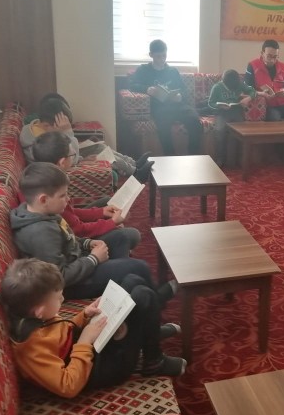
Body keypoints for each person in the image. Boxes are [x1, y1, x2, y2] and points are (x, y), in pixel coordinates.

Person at [1, 258, 185, 398]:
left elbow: (61, 331)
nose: (62, 300)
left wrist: (84, 315)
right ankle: (154, 362)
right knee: (142, 295)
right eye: (58, 298)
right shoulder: (31, 347)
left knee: (132, 280)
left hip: (88, 351)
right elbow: (68, 386)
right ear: (40, 312)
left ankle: (149, 332)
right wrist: (85, 341)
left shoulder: (35, 316)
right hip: (101, 370)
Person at [11, 162, 175, 301]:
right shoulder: (40, 233)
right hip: (72, 285)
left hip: (79, 261)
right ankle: (155, 299)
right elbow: (59, 277)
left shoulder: (42, 211)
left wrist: (87, 243)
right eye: (63, 196)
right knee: (139, 267)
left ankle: (125, 285)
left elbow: (68, 237)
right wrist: (94, 259)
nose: (68, 199)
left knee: (121, 237)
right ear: (43, 199)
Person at [32, 132, 141, 248]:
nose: (74, 158)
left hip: (70, 226)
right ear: (62, 162)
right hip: (75, 240)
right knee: (132, 235)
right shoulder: (53, 189)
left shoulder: (41, 176)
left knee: (107, 202)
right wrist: (112, 223)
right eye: (73, 155)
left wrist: (101, 212)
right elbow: (79, 231)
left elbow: (70, 212)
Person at [21, 96, 152, 182]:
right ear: (46, 125)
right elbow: (71, 157)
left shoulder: (38, 127)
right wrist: (67, 132)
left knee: (100, 147)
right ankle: (135, 173)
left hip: (67, 154)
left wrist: (81, 158)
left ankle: (133, 163)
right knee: (100, 151)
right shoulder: (37, 143)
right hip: (67, 159)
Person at [129, 39, 203, 156]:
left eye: (164, 55)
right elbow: (132, 85)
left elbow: (183, 89)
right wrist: (147, 89)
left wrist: (180, 96)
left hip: (178, 106)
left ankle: (193, 155)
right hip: (159, 107)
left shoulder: (172, 71)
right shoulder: (143, 70)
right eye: (158, 56)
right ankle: (170, 157)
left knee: (194, 120)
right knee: (164, 126)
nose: (162, 59)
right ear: (151, 55)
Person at [208, 69, 261, 167]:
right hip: (222, 113)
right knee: (219, 131)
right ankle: (220, 159)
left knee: (241, 133)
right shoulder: (217, 87)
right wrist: (219, 106)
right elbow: (210, 103)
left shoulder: (240, 84)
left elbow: (252, 91)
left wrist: (248, 98)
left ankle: (238, 159)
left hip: (236, 111)